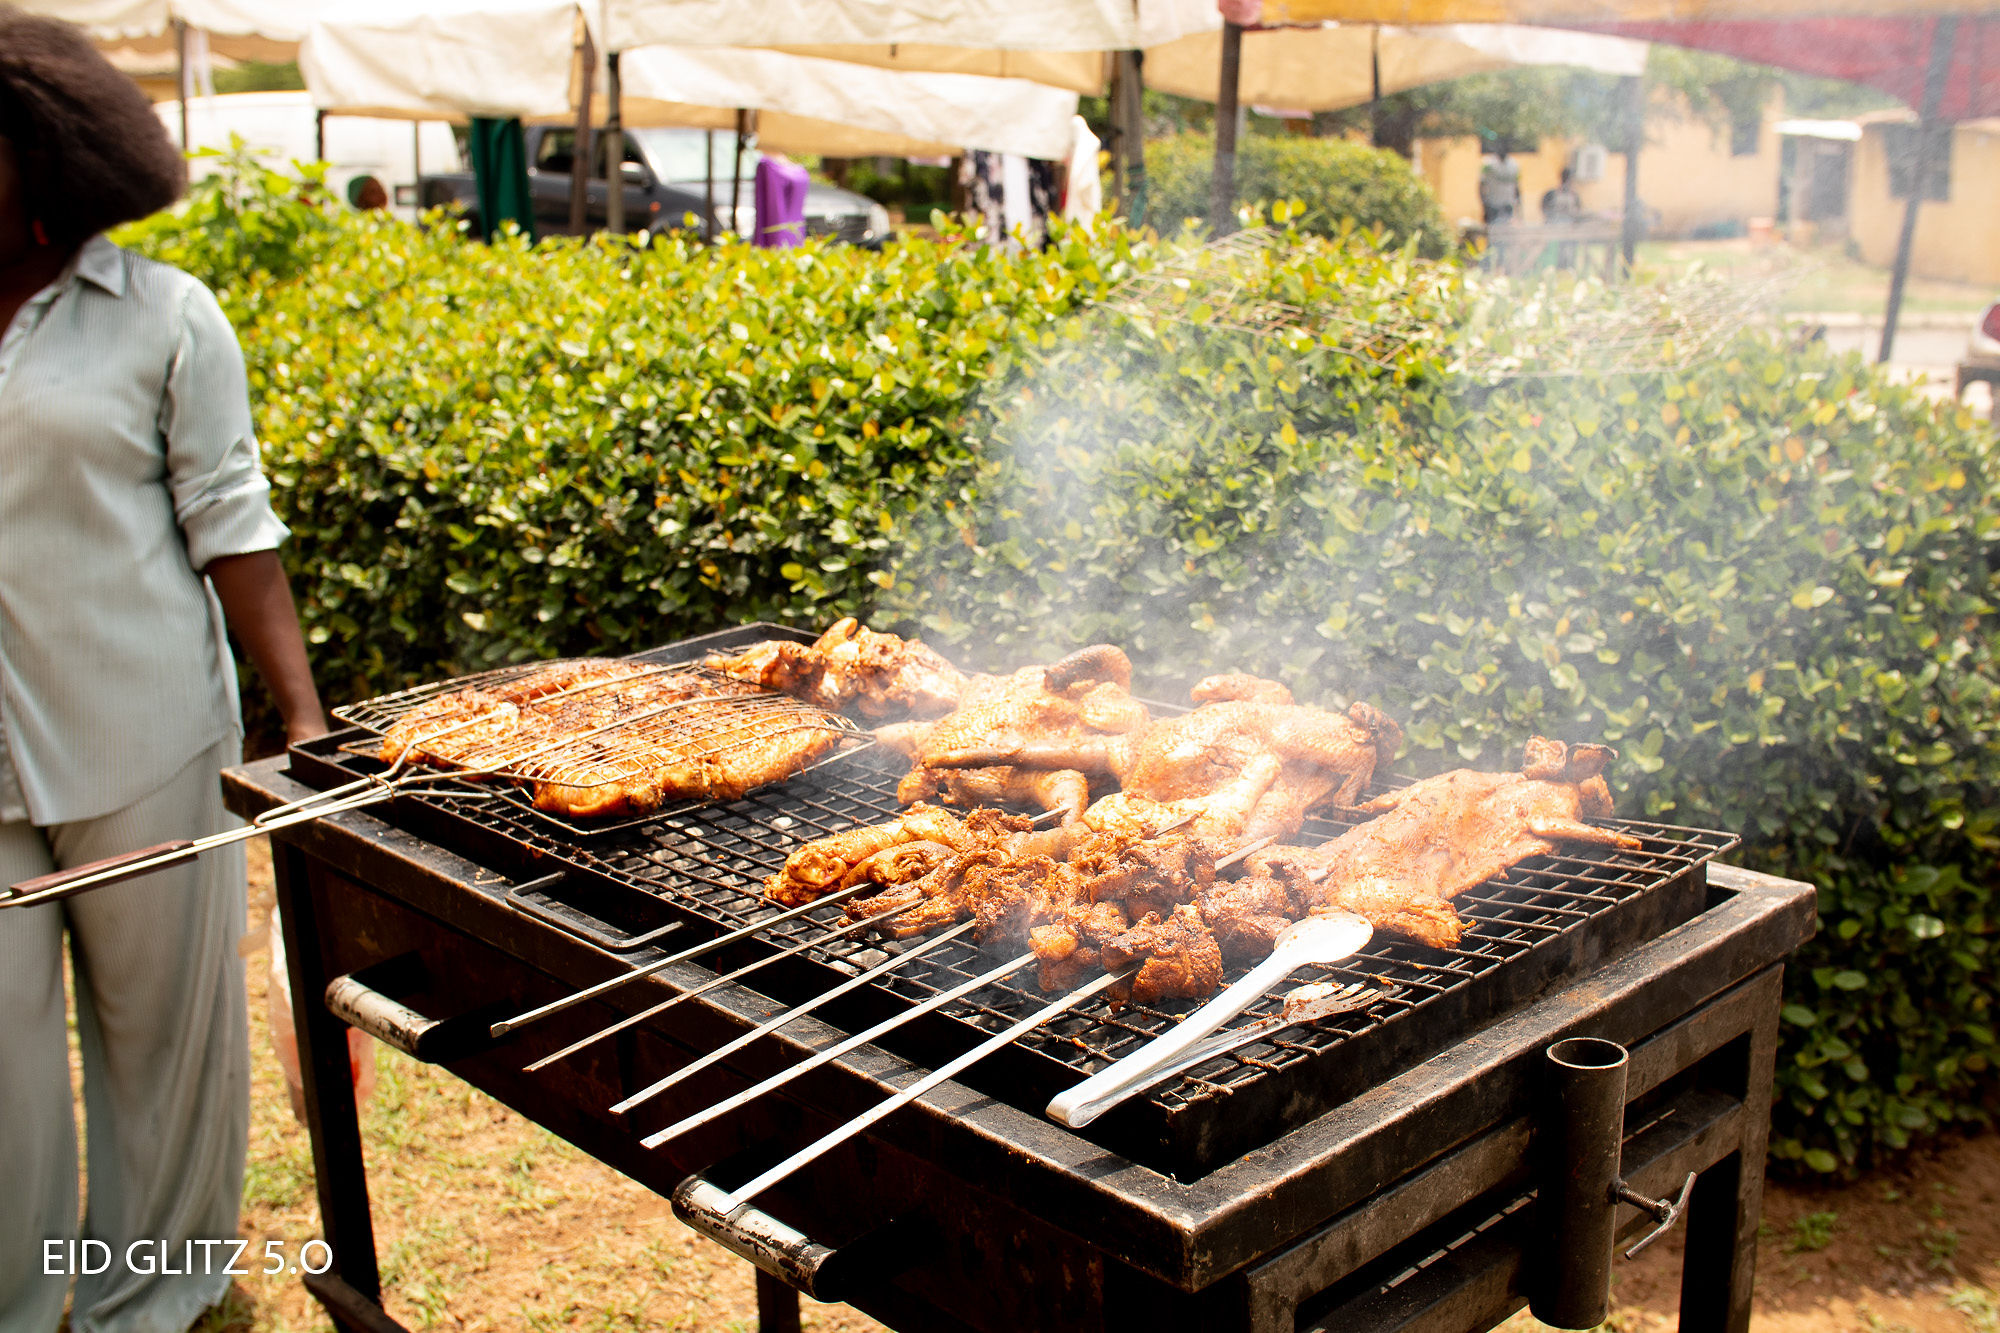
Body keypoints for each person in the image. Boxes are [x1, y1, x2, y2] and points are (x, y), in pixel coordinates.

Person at [0, 10, 327, 1333]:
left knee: (163, 1043)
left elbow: (234, 529)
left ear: (42, 158)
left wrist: (298, 714)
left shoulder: (165, 316)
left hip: (142, 738)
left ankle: (153, 1295)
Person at [1478, 146, 1521, 226]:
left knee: (1506, 229)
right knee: (1492, 230)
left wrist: (1518, 205)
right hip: (1492, 203)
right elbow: (1481, 184)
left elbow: (1517, 186)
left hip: (1508, 203)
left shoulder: (1514, 165)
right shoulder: (1488, 164)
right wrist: (1483, 203)